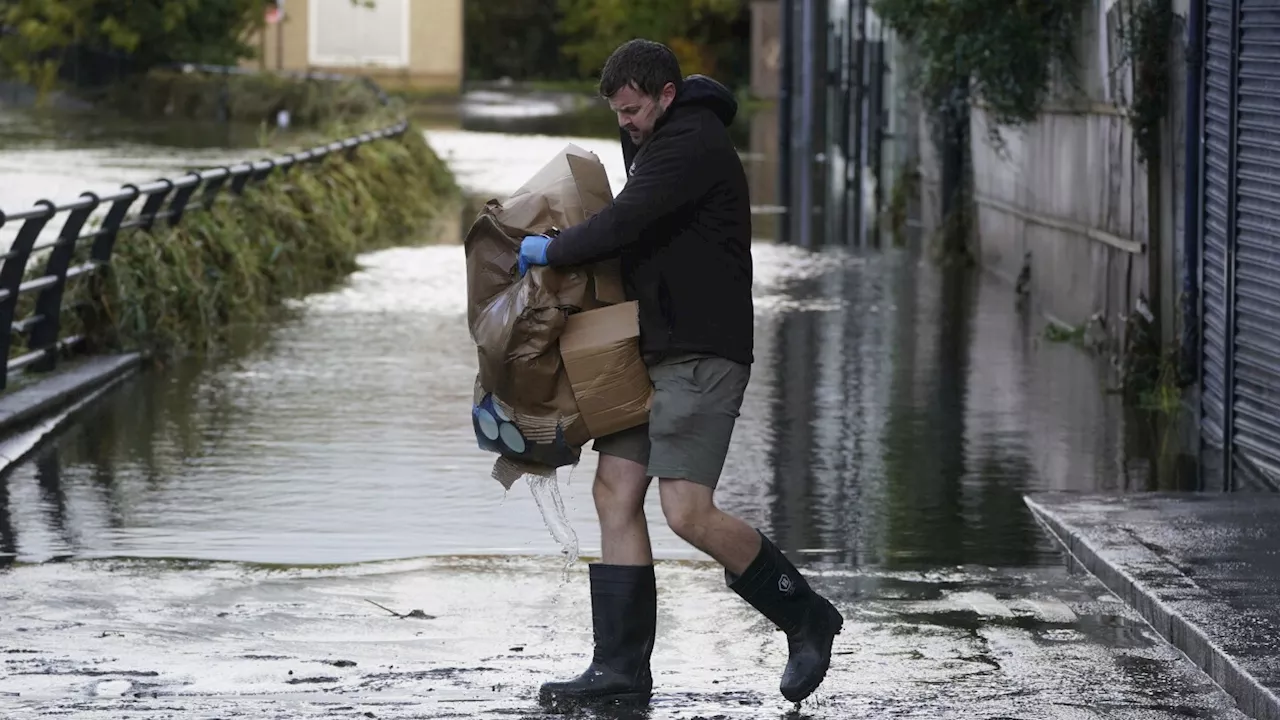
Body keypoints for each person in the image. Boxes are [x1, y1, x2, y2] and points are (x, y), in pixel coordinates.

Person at [517, 39, 844, 708]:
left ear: (666, 95)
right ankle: (620, 674)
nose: (625, 124)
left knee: (686, 510)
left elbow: (625, 222)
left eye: (633, 110)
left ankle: (806, 615)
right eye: (617, 113)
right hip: (654, 349)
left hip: (703, 352)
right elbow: (637, 237)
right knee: (614, 491)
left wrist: (550, 250)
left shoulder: (690, 142)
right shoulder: (658, 138)